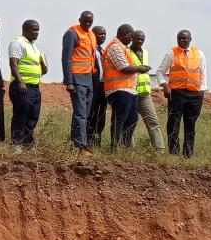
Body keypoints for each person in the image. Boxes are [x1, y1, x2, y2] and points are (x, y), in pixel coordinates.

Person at [157, 30, 207, 157]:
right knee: (173, 123)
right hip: (176, 94)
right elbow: (160, 72)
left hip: (195, 94)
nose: (182, 40)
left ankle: (188, 153)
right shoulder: (171, 53)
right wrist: (165, 86)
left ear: (190, 39)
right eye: (179, 38)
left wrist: (201, 91)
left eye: (185, 38)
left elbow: (203, 73)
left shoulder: (199, 54)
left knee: (190, 124)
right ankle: (174, 153)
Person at [102, 24, 150, 149]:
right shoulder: (115, 47)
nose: (132, 39)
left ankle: (125, 146)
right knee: (120, 118)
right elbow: (123, 68)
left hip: (130, 90)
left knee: (132, 119)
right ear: (125, 34)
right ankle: (115, 147)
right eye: (131, 36)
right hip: (118, 89)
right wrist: (139, 68)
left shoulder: (124, 48)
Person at [8, 20, 48, 152]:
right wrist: (20, 82)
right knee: (21, 115)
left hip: (35, 87)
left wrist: (43, 68)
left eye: (38, 30)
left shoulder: (34, 47)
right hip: (22, 87)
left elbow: (39, 68)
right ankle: (16, 144)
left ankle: (28, 143)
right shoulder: (18, 43)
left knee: (33, 116)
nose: (37, 33)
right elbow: (13, 64)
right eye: (34, 30)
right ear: (25, 30)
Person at [61, 11, 96, 155]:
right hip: (76, 79)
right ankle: (80, 146)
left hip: (88, 79)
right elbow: (66, 58)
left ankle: (75, 143)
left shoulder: (91, 34)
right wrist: (69, 81)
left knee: (84, 114)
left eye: (90, 21)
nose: (87, 23)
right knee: (80, 113)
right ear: (79, 19)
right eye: (85, 20)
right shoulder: (72, 33)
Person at [129, 30, 165, 152]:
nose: (140, 41)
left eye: (142, 39)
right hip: (131, 92)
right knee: (130, 123)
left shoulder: (145, 52)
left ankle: (160, 150)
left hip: (144, 93)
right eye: (138, 39)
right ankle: (130, 150)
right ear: (132, 38)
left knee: (153, 121)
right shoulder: (127, 52)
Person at [87, 26, 108, 148]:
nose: (103, 36)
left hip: (103, 86)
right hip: (92, 85)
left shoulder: (103, 51)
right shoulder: (90, 49)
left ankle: (97, 139)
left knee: (101, 114)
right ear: (93, 35)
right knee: (91, 113)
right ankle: (88, 139)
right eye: (100, 34)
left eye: (104, 34)